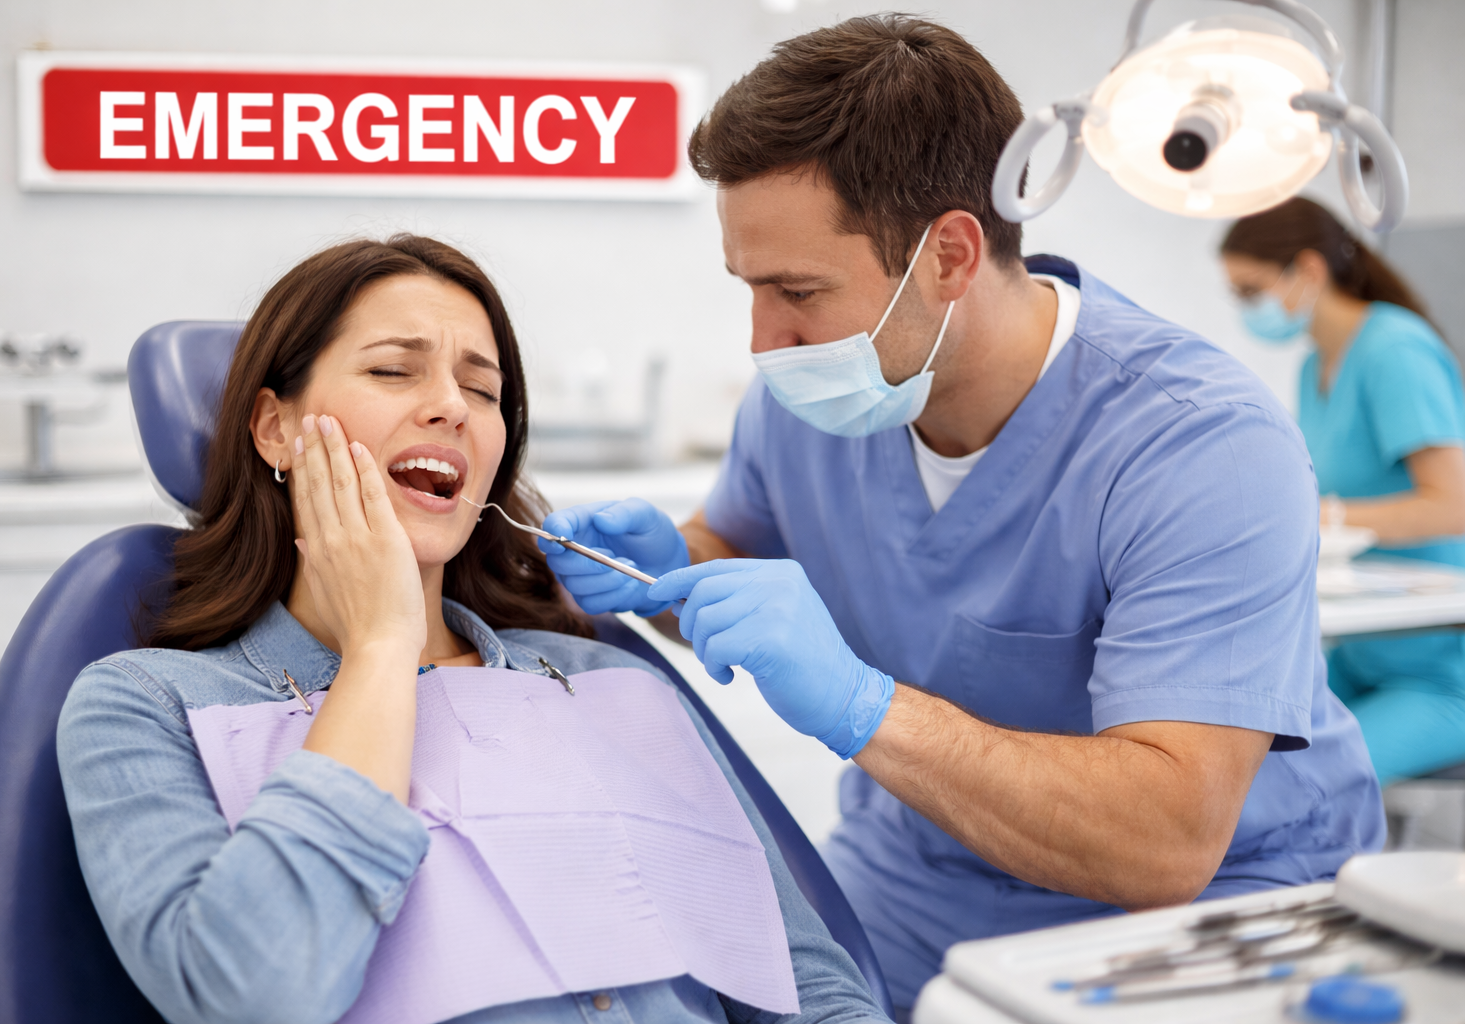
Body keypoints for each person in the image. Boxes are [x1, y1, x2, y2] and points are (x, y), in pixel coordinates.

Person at [539, 16, 1384, 1013]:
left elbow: (1164, 841)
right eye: (749, 288)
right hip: (916, 877)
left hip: (1200, 910)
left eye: (797, 289)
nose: (765, 338)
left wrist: (863, 705)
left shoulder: (1198, 444)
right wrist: (665, 571)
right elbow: (737, 559)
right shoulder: (801, 401)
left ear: (949, 253)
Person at [56, 235, 890, 1024]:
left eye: (484, 391)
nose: (452, 407)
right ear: (276, 427)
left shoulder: (602, 679)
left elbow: (807, 985)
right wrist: (382, 648)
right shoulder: (144, 706)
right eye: (392, 370)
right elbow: (255, 993)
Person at [1222, 196, 1465, 785]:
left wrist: (1322, 518)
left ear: (1308, 270)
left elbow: (1453, 505)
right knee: (1237, 760)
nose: (1246, 309)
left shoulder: (1393, 349)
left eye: (1252, 290)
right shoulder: (1316, 366)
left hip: (1438, 672)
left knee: (1297, 786)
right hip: (1362, 652)